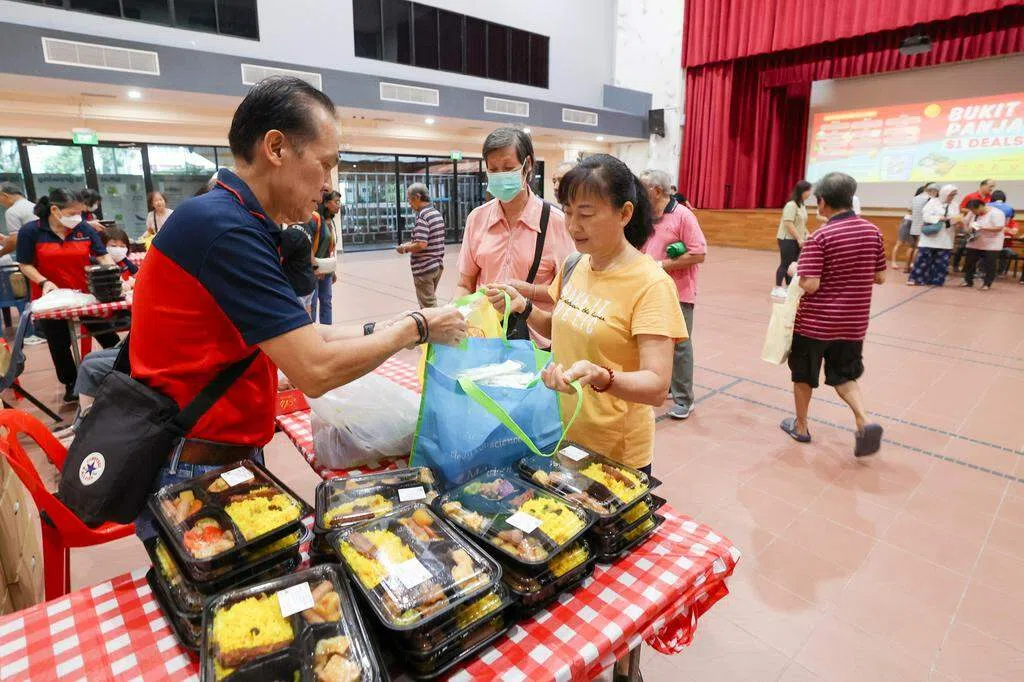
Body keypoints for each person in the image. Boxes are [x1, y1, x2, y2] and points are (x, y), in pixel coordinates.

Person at [127, 76, 465, 540]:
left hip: (214, 450)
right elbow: (314, 368)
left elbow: (305, 334)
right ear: (276, 148)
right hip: (194, 464)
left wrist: (389, 326)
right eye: (325, 165)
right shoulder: (225, 230)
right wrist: (416, 328)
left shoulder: (235, 219)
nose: (326, 186)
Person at [485, 154, 687, 477]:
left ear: (624, 213)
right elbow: (558, 327)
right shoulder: (575, 264)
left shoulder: (651, 284)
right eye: (567, 212)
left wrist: (600, 375)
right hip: (565, 435)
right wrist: (523, 306)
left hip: (617, 452)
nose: (573, 226)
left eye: (586, 214)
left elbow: (656, 386)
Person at [780, 172, 886, 457]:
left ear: (823, 201)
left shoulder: (821, 236)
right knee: (844, 375)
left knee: (804, 375)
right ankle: (864, 420)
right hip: (853, 323)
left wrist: (795, 270)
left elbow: (810, 284)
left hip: (815, 324)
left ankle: (801, 427)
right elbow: (880, 277)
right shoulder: (873, 232)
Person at [454, 127, 574, 346]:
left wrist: (524, 291)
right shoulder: (477, 219)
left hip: (536, 344)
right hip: (486, 340)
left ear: (527, 165)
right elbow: (465, 284)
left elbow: (569, 294)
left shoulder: (556, 222)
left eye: (508, 168)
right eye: (493, 170)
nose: (500, 175)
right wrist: (458, 315)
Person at [15, 188, 121, 402]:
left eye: (80, 213)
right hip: (51, 297)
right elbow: (24, 264)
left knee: (107, 334)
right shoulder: (31, 231)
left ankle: (120, 371)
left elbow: (102, 256)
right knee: (59, 343)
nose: (78, 218)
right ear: (55, 210)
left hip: (84, 294)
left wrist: (115, 275)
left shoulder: (83, 228)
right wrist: (44, 282)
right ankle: (71, 384)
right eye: (73, 213)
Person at [640, 168, 706, 420]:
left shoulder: (683, 216)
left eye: (643, 187)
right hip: (650, 290)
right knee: (656, 341)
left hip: (679, 292)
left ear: (656, 191)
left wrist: (661, 265)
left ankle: (684, 399)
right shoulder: (647, 216)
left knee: (680, 346)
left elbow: (699, 253)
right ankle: (666, 386)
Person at [397, 182, 446, 308]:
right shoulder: (436, 214)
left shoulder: (423, 217)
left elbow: (421, 244)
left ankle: (437, 321)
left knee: (428, 306)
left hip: (425, 268)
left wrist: (405, 248)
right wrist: (411, 244)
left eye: (409, 199)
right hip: (437, 266)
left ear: (417, 197)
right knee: (430, 300)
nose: (409, 203)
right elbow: (429, 239)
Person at [908, 184, 963, 286]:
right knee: (923, 260)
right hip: (930, 237)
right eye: (950, 195)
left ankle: (936, 281)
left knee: (941, 262)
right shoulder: (932, 202)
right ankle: (917, 279)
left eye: (954, 195)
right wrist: (940, 218)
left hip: (946, 237)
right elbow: (926, 217)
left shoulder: (955, 205)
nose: (952, 197)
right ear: (944, 194)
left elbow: (954, 219)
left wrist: (957, 221)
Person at [773, 180, 812, 297]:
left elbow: (801, 224)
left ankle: (789, 287)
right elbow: (788, 223)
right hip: (787, 239)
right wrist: (799, 238)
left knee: (792, 264)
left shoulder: (802, 205)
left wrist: (808, 235)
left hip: (796, 238)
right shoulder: (791, 205)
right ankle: (777, 287)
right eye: (808, 191)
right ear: (802, 191)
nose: (810, 193)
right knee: (785, 263)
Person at [308, 190, 339, 324]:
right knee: (313, 303)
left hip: (326, 268)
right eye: (336, 202)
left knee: (326, 301)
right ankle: (313, 331)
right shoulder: (315, 218)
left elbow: (330, 248)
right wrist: (315, 267)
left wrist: (331, 270)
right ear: (326, 203)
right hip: (314, 268)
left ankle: (327, 329)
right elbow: (308, 244)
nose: (339, 205)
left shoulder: (331, 221)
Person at [960, 199, 1006, 291]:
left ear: (981, 206)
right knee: (969, 262)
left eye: (974, 210)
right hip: (975, 241)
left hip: (991, 243)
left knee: (989, 264)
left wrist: (982, 228)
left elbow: (999, 228)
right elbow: (965, 222)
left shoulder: (997, 213)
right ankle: (968, 281)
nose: (973, 212)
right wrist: (966, 229)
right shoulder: (972, 213)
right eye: (971, 210)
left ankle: (987, 283)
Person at [893, 183, 938, 272]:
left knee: (911, 246)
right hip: (918, 224)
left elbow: (910, 210)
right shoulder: (930, 200)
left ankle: (907, 267)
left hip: (912, 223)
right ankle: (913, 265)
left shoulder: (916, 199)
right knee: (916, 247)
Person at [281, 222, 316, 313]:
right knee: (307, 311)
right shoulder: (307, 228)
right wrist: (315, 269)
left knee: (299, 315)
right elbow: (311, 254)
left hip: (297, 284)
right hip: (309, 281)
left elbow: (279, 259)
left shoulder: (289, 234)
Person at [0, 182, 35, 262]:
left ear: (5, 196)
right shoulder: (34, 206)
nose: (1, 204)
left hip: (32, 259)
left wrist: (1, 253)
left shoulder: (12, 211)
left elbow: (14, 242)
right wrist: (7, 240)